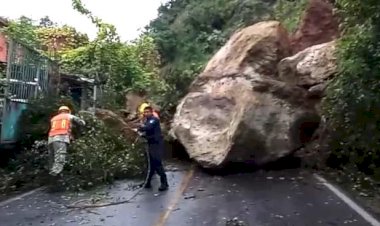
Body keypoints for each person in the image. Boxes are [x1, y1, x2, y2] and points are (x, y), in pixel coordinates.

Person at [136, 106, 168, 191]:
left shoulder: (154, 120)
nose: (146, 113)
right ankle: (147, 182)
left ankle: (164, 183)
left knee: (157, 162)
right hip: (151, 144)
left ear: (151, 112)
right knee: (150, 164)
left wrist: (139, 128)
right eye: (145, 112)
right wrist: (142, 135)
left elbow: (148, 128)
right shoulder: (147, 121)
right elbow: (148, 132)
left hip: (157, 145)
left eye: (147, 112)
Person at [48, 106, 85, 176]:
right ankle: (56, 171)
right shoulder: (69, 116)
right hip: (61, 137)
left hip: (51, 138)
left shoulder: (54, 118)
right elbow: (81, 122)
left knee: (52, 156)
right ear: (68, 111)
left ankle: (51, 170)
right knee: (60, 154)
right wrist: (83, 121)